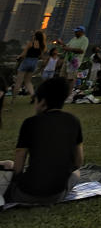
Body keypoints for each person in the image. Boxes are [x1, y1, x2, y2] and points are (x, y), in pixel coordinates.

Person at [2, 76, 83, 204]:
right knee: (77, 174)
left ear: (43, 103)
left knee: (9, 166)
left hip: (25, 193)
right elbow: (78, 162)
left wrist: (15, 181)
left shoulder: (30, 123)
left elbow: (20, 156)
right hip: (56, 194)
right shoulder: (74, 121)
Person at [11, 30, 44, 99]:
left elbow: (24, 53)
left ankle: (13, 99)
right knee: (28, 81)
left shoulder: (30, 43)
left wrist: (18, 57)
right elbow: (41, 56)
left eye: (34, 35)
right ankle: (32, 95)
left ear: (35, 36)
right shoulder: (41, 46)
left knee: (19, 81)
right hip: (34, 63)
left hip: (26, 61)